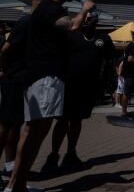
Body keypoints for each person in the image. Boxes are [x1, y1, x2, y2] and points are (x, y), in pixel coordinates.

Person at [5, 0, 95, 192]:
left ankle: (17, 184)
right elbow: (72, 27)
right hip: (47, 77)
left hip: (42, 76)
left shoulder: (45, 10)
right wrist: (84, 9)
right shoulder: (51, 8)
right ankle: (15, 185)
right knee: (35, 131)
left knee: (35, 130)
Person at [41, 9, 115, 172]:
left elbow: (110, 60)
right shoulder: (71, 36)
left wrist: (109, 80)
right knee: (62, 120)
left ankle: (70, 153)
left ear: (97, 20)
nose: (88, 20)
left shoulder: (104, 39)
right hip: (68, 85)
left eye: (91, 18)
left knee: (77, 120)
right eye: (85, 18)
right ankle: (53, 155)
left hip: (88, 87)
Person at [0, 0, 45, 183]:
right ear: (38, 2)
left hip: (24, 80)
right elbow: (5, 49)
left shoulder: (39, 24)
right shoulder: (26, 22)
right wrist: (4, 70)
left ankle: (10, 165)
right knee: (6, 124)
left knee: (15, 124)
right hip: (13, 78)